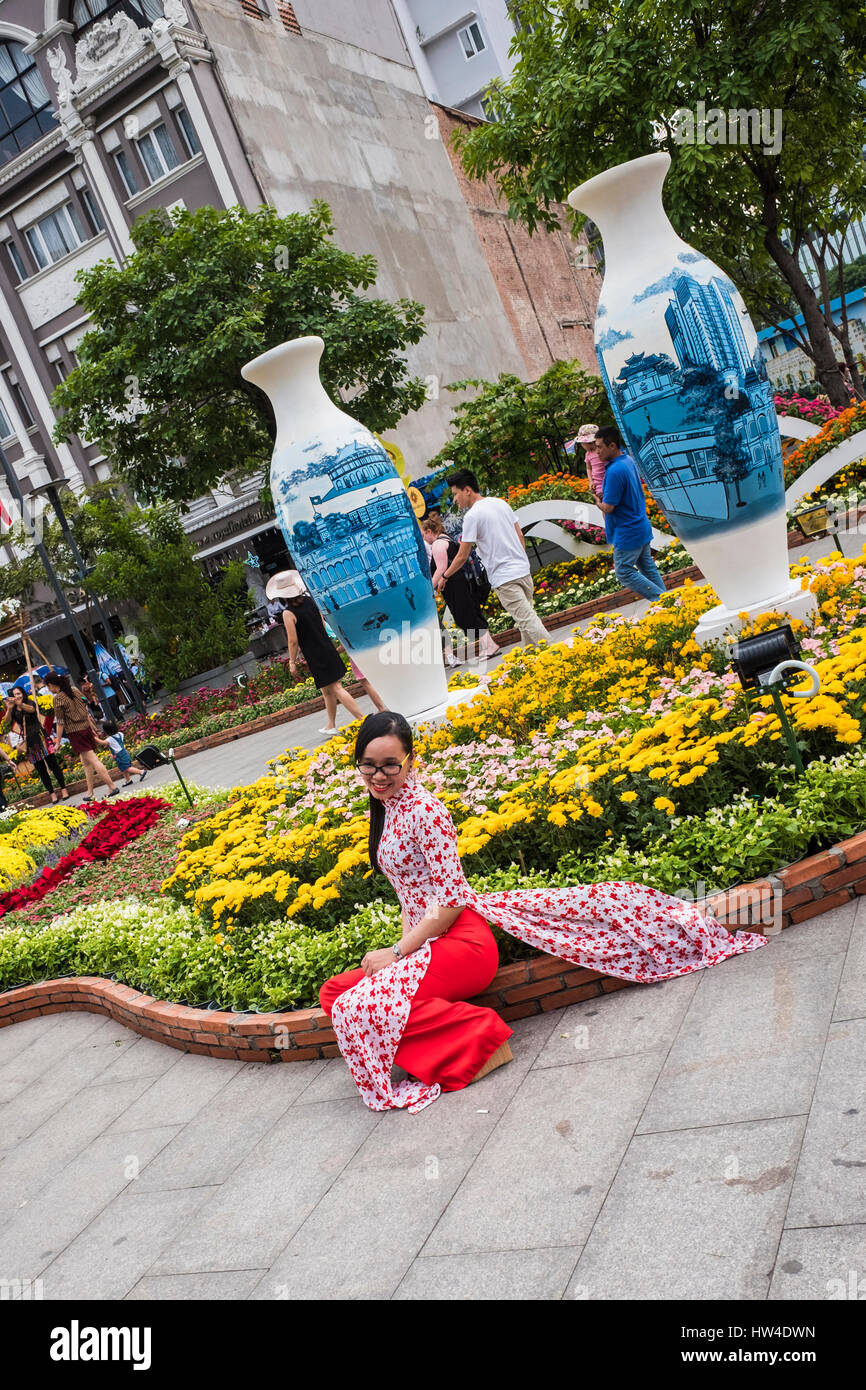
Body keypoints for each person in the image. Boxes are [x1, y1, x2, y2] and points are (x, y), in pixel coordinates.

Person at [318, 712, 768, 1113]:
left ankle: (478, 1034)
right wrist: (403, 955)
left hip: (462, 943)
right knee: (335, 994)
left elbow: (451, 900)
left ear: (411, 761)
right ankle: (453, 1036)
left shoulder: (424, 811)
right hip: (427, 944)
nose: (378, 775)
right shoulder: (386, 809)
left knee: (359, 1002)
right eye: (369, 764)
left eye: (390, 764)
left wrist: (398, 954)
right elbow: (409, 897)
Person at [444, 470, 549, 648]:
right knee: (525, 621)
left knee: (528, 620)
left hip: (505, 578)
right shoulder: (500, 504)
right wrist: (520, 560)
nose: (455, 499)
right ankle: (531, 659)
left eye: (455, 494)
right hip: (523, 571)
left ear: (467, 490)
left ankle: (556, 651)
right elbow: (520, 535)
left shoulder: (472, 516)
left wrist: (445, 577)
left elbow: (462, 556)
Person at [267, 570, 367, 738]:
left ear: (282, 596)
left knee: (335, 688)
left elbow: (293, 641)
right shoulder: (309, 601)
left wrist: (292, 661)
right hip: (325, 646)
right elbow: (322, 624)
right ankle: (331, 725)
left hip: (315, 653)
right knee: (327, 690)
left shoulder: (288, 613)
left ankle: (362, 720)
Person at [593, 426, 667, 602]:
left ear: (612, 445)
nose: (596, 452)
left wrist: (598, 503)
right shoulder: (627, 460)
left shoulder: (614, 471)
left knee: (623, 572)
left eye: (599, 447)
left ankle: (662, 599)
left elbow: (609, 507)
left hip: (627, 530)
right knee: (647, 567)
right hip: (639, 525)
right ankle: (670, 603)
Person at [422, 514, 499, 659]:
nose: (424, 539)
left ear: (429, 532)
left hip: (455, 586)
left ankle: (489, 646)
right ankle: (488, 645)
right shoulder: (447, 538)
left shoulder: (438, 545)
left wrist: (430, 588)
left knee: (466, 616)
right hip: (463, 582)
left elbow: (441, 568)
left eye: (424, 535)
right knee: (473, 614)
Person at [44, 670, 118, 799]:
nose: (48, 689)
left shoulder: (58, 699)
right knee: (86, 763)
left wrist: (58, 742)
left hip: (75, 732)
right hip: (85, 727)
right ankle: (90, 792)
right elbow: (85, 702)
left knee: (93, 760)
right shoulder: (74, 690)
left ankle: (112, 787)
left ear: (51, 684)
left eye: (48, 686)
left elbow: (60, 723)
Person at [3, 685, 67, 803]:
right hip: (29, 743)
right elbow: (7, 721)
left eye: (19, 693)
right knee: (41, 769)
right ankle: (52, 793)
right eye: (15, 694)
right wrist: (10, 708)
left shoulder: (29, 702)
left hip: (40, 737)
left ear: (22, 693)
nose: (17, 696)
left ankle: (63, 789)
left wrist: (19, 703)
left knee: (53, 764)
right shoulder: (13, 708)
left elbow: (32, 710)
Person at [98, 721, 147, 786]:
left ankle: (141, 772)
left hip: (120, 755)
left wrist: (95, 738)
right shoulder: (120, 734)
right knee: (123, 769)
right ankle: (128, 780)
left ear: (106, 732)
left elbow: (102, 742)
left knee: (127, 768)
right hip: (124, 752)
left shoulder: (109, 739)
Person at [573, 422, 606, 496]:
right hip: (598, 483)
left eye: (582, 443)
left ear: (590, 442)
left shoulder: (603, 450)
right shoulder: (588, 454)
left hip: (609, 480)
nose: (581, 445)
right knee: (601, 497)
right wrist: (591, 481)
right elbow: (589, 468)